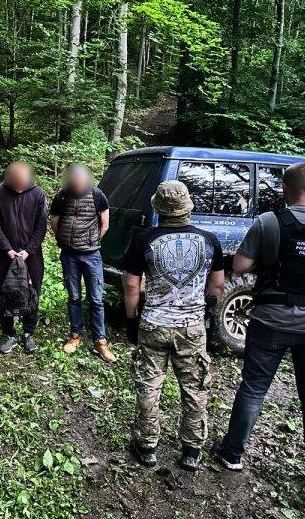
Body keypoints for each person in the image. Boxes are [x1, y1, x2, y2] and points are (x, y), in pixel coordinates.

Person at [213, 163, 305, 493]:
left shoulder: (268, 222)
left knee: (253, 388)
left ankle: (232, 453)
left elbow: (240, 266)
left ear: (284, 190)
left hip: (270, 321)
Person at [123, 180, 224, 471]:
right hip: (191, 326)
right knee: (194, 388)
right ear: (187, 206)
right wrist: (206, 308)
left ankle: (147, 446)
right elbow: (216, 284)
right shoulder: (209, 240)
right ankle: (191, 450)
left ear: (158, 207)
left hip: (153, 323)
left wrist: (132, 318)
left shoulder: (144, 240)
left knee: (149, 386)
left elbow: (132, 286)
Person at [50, 164, 115, 363]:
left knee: (96, 299)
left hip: (92, 255)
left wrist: (93, 241)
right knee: (74, 297)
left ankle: (100, 341)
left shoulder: (97, 194)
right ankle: (75, 337)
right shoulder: (62, 195)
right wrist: (61, 239)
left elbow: (105, 223)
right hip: (69, 255)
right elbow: (54, 218)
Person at [0, 161, 47, 354]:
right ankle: (9, 333)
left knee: (32, 293)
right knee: (6, 292)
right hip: (6, 255)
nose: (20, 186)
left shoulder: (38, 193)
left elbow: (41, 226)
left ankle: (28, 333)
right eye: (16, 182)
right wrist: (7, 249)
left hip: (32, 255)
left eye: (23, 182)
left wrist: (28, 250)